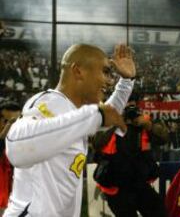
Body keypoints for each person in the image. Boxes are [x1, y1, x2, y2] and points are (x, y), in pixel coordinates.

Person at [4, 44, 136, 217]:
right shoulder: (50, 103)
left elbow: (103, 115)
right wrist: (95, 116)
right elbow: (16, 148)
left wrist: (126, 82)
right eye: (104, 71)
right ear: (78, 71)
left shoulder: (71, 112)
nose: (109, 80)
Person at [92, 94, 168, 217]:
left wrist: (147, 125)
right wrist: (116, 121)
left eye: (131, 106)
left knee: (160, 212)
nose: (128, 110)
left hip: (140, 184)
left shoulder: (143, 120)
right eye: (124, 106)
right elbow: (96, 143)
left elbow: (163, 138)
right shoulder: (107, 120)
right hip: (117, 189)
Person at [0, 101, 21, 216]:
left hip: (13, 204)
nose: (13, 126)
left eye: (17, 122)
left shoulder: (19, 143)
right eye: (6, 121)